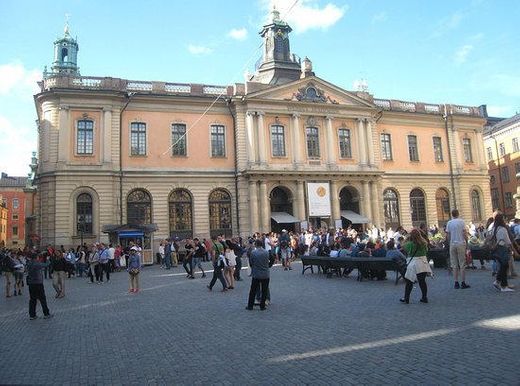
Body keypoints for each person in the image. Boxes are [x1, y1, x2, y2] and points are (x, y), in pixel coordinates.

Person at [400, 228, 432, 304]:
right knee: (422, 281)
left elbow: (403, 246)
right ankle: (424, 297)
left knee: (409, 281)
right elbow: (426, 251)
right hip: (423, 263)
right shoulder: (424, 243)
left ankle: (406, 298)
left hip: (413, 263)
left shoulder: (409, 244)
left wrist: (407, 238)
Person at [488, 214, 514, 292]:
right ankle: (504, 286)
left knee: (503, 266)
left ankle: (497, 281)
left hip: (496, 249)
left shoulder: (494, 228)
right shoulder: (503, 229)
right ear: (502, 220)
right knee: (504, 267)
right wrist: (512, 249)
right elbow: (507, 241)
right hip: (502, 248)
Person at [446, 209, 470, 289]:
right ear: (458, 214)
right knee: (462, 264)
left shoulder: (449, 223)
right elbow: (464, 233)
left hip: (452, 244)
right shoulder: (462, 222)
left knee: (454, 264)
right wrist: (467, 243)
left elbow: (448, 235)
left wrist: (450, 243)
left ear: (452, 214)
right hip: (461, 243)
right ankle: (463, 282)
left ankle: (456, 282)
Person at [26, 253, 52, 320]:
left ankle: (32, 315)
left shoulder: (29, 263)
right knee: (42, 299)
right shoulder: (36, 264)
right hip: (38, 283)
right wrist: (48, 260)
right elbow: (46, 265)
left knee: (32, 299)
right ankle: (46, 314)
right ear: (36, 257)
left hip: (31, 283)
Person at [246, 239, 271, 311]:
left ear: (256, 244)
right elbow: (271, 259)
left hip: (256, 274)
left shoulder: (253, 253)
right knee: (264, 290)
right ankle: (262, 306)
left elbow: (251, 263)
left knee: (253, 290)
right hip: (265, 273)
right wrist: (268, 266)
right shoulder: (266, 252)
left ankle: (250, 306)